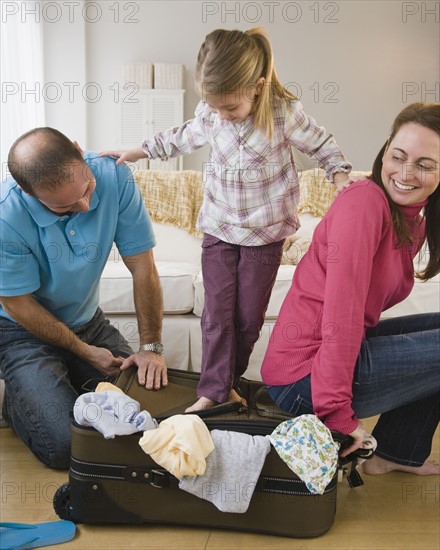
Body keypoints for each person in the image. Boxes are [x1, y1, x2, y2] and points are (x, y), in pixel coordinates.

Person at [101, 27, 352, 412]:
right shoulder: (211, 113)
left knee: (247, 320)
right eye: (214, 107)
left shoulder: (285, 114)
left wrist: (340, 178)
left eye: (229, 108)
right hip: (218, 230)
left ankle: (228, 386)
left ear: (257, 86)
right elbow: (182, 136)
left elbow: (323, 145)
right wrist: (137, 150)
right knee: (216, 314)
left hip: (265, 236)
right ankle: (214, 391)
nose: (222, 115)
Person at [261, 102, 440, 475]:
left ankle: (396, 452)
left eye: (425, 165)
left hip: (328, 362)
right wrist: (337, 413)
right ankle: (386, 448)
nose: (406, 173)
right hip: (303, 378)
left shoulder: (412, 222)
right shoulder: (363, 204)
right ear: (385, 150)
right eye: (399, 156)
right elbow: (340, 312)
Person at [0, 127, 168, 469]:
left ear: (78, 150)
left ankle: (59, 387)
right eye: (65, 207)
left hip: (88, 323)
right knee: (65, 446)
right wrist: (83, 352)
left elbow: (143, 267)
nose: (86, 205)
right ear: (27, 192)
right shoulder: (6, 218)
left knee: (151, 419)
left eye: (87, 188)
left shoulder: (114, 174)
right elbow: (18, 304)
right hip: (21, 334)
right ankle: (18, 400)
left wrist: (150, 347)